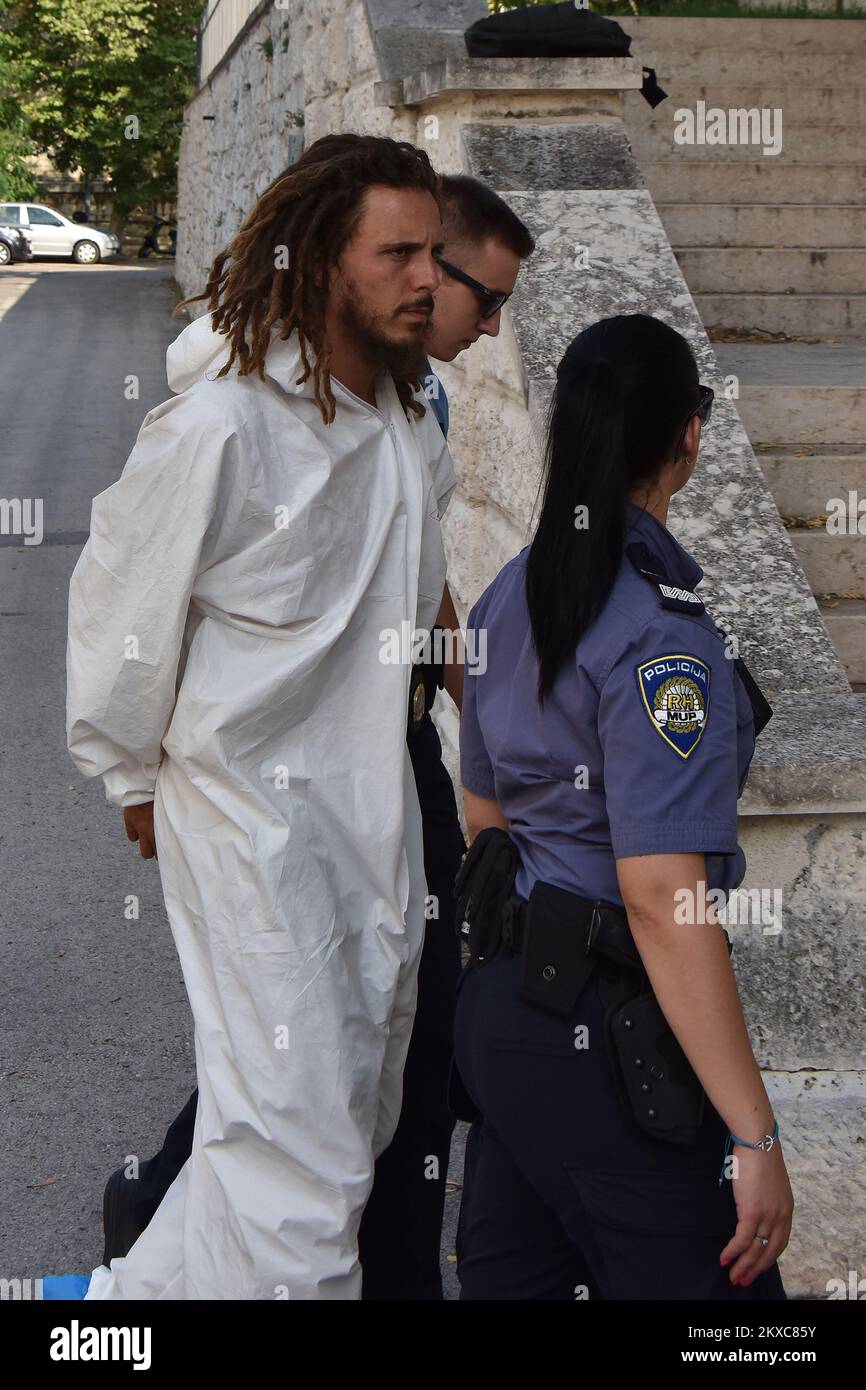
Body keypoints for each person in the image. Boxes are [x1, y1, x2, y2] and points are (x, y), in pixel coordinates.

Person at [96, 171, 534, 1301]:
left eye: (432, 255)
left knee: (342, 1116)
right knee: (304, 1166)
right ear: (317, 259)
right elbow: (123, 619)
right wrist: (130, 777)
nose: (426, 280)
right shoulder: (220, 422)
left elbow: (419, 595)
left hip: (375, 815)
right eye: (398, 255)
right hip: (252, 829)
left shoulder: (402, 427)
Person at [452, 313, 794, 1300]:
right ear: (686, 438)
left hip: (508, 1017)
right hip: (602, 1042)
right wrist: (752, 1135)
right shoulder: (661, 636)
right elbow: (659, 898)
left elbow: (486, 817)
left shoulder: (505, 597)